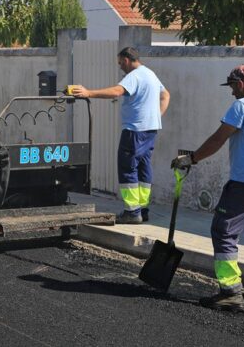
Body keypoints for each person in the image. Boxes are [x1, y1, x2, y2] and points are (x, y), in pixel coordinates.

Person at [171, 65, 244, 312]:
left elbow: (218, 139)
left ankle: (230, 291)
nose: (232, 92)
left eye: (233, 87)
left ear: (242, 83)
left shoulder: (243, 107)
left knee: (223, 231)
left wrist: (191, 158)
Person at [71, 47, 170, 224]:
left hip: (134, 131)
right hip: (150, 130)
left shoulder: (134, 76)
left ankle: (132, 212)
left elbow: (117, 91)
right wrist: (156, 116)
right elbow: (165, 95)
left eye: (120, 63)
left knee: (128, 168)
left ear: (126, 60)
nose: (120, 67)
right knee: (144, 168)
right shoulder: (150, 74)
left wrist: (88, 93)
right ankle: (142, 209)